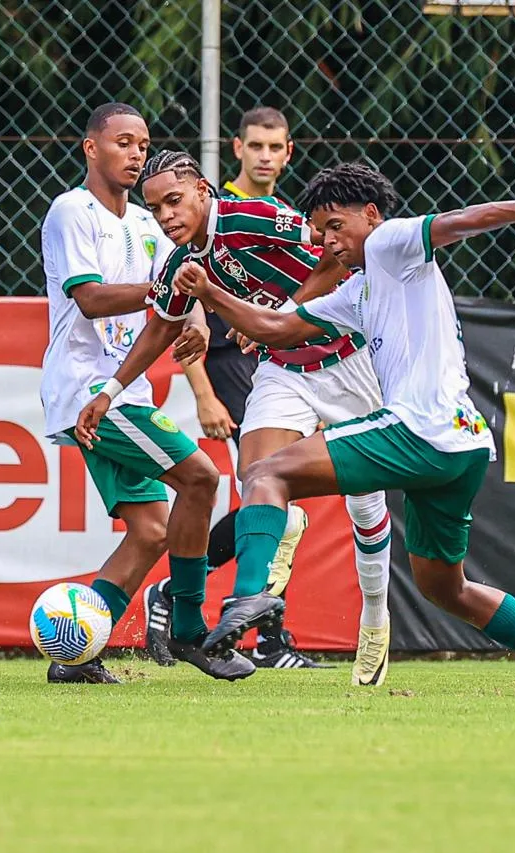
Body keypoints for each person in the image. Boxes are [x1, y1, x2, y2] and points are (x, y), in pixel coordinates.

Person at [178, 161, 515, 694]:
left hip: (419, 430)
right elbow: (275, 327)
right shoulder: (357, 291)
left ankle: (248, 595)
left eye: (336, 226)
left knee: (268, 474)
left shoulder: (390, 241)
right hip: (461, 446)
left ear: (370, 214)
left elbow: (457, 222)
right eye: (320, 231)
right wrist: (211, 291)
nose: (328, 240)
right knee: (445, 588)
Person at [75, 150, 396, 687]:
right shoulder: (181, 265)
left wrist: (280, 316)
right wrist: (110, 390)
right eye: (155, 210)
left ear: (203, 190)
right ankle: (247, 601)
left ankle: (375, 617)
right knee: (259, 475)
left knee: (368, 511)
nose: (167, 216)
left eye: (174, 201)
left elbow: (335, 257)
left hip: (347, 361)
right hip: (283, 370)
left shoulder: (253, 216)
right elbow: (159, 326)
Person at [38, 102, 254, 684]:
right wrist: (173, 293)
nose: (135, 154)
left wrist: (199, 321)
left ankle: (73, 655)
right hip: (89, 390)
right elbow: (91, 298)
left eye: (143, 144)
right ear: (91, 148)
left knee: (152, 530)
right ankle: (189, 631)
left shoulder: (143, 223)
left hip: (120, 394)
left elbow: (184, 299)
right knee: (202, 478)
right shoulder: (71, 212)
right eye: (123, 143)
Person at [145, 107, 328, 670]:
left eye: (276, 146)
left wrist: (276, 319)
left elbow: (312, 268)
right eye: (256, 146)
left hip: (300, 347)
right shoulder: (207, 212)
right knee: (269, 488)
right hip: (238, 362)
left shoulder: (276, 215)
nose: (266, 156)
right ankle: (256, 628)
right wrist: (202, 391)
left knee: (277, 497)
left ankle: (256, 624)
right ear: (237, 151)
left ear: (289, 151)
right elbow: (186, 315)